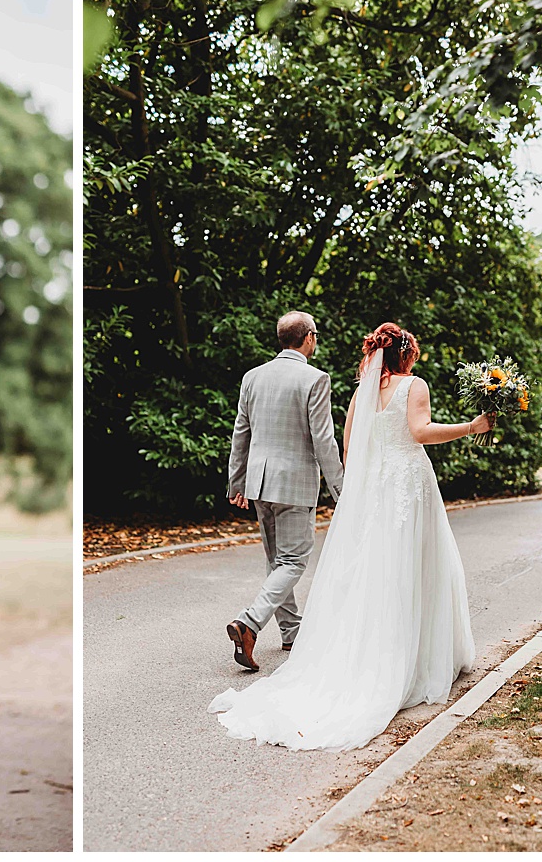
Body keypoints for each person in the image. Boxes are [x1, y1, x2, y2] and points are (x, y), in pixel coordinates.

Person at [209, 322, 492, 751]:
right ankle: (407, 659)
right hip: (406, 485)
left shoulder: (359, 392)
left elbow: (345, 444)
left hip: (363, 487)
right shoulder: (414, 385)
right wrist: (472, 427)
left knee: (368, 570)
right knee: (410, 568)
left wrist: (357, 488)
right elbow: (419, 432)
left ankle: (305, 636)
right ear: (407, 354)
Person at [224, 311, 344, 671]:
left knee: (278, 561)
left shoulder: (253, 377)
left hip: (260, 484)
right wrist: (342, 489)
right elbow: (324, 440)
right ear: (308, 338)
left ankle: (292, 631)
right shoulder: (314, 378)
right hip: (294, 485)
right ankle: (249, 622)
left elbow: (240, 432)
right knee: (292, 562)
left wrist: (236, 481)